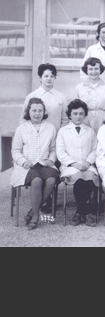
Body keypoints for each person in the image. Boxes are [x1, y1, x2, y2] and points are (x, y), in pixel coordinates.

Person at [11, 98, 59, 231]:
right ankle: (36, 217)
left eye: (40, 110)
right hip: (28, 165)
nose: (37, 113)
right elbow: (15, 150)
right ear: (28, 111)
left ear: (44, 112)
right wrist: (23, 161)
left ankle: (33, 210)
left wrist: (51, 159)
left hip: (44, 164)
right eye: (34, 110)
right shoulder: (22, 128)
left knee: (51, 180)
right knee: (36, 180)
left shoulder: (50, 128)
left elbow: (53, 148)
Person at [57, 100, 100, 227]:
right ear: (70, 115)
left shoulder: (90, 131)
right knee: (78, 179)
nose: (78, 116)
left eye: (81, 114)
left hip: (87, 165)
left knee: (90, 178)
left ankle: (80, 212)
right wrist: (74, 164)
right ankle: (86, 212)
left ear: (85, 115)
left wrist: (88, 162)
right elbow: (60, 152)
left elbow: (95, 149)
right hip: (70, 166)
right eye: (75, 113)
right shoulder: (63, 131)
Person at [21, 64, 69, 133]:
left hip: (55, 137)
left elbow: (65, 120)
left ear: (55, 78)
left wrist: (59, 136)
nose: (49, 78)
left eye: (52, 76)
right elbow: (23, 120)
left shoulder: (61, 97)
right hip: (35, 138)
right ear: (40, 78)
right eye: (46, 76)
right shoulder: (31, 96)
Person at [76, 58, 105, 135]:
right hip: (85, 120)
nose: (93, 72)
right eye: (90, 69)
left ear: (100, 70)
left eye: (96, 68)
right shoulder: (80, 87)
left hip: (102, 120)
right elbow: (76, 108)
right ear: (86, 71)